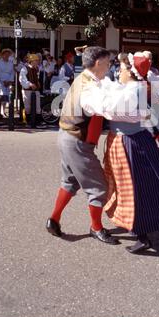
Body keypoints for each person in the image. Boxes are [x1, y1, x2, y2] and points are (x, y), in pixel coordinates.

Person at [96, 52, 159, 254]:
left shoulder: (133, 90)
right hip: (130, 140)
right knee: (130, 188)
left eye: (123, 68)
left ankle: (141, 235)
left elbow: (109, 110)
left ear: (131, 72)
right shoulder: (135, 87)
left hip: (128, 143)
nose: (119, 71)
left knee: (132, 190)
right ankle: (136, 228)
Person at [46, 46, 119, 245]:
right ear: (98, 63)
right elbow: (107, 110)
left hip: (67, 136)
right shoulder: (90, 88)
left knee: (70, 182)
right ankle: (96, 228)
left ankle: (54, 219)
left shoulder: (84, 78)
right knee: (99, 188)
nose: (109, 66)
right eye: (107, 62)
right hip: (77, 141)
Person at [19, 54, 44, 127]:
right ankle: (28, 122)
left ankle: (37, 122)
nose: (37, 62)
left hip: (36, 90)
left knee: (37, 107)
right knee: (28, 107)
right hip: (27, 90)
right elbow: (22, 79)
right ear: (31, 61)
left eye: (37, 60)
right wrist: (30, 84)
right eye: (36, 60)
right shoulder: (24, 68)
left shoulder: (36, 69)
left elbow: (36, 78)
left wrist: (38, 83)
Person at [0, 48, 15, 117]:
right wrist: (3, 81)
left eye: (8, 55)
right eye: (5, 55)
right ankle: (0, 112)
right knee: (1, 97)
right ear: (2, 55)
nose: (6, 56)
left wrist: (9, 81)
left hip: (8, 81)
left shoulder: (10, 63)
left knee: (7, 97)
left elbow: (12, 72)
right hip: (1, 81)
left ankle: (4, 111)